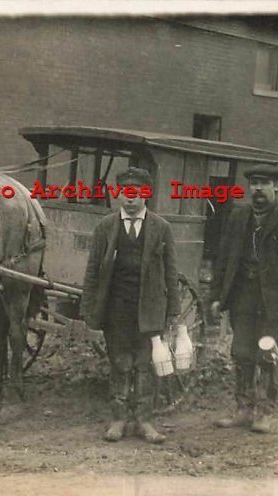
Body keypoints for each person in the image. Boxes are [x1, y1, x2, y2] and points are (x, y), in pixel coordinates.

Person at [80, 167, 180, 444]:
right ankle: (119, 419)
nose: (131, 199)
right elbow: (92, 271)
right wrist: (89, 308)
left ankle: (145, 421)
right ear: (119, 194)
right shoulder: (105, 227)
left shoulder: (162, 228)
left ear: (146, 195)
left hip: (149, 308)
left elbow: (171, 272)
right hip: (116, 308)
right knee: (120, 362)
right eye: (126, 193)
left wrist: (173, 311)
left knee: (146, 364)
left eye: (137, 194)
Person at [209, 164, 278, 433]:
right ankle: (243, 409)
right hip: (242, 296)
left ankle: (264, 411)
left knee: (267, 353)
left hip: (272, 301)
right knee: (241, 352)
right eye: (254, 184)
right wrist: (217, 296)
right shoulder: (237, 217)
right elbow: (224, 259)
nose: (258, 189)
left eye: (264, 184)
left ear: (275, 186)